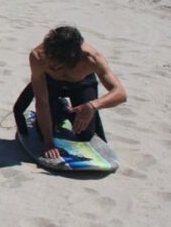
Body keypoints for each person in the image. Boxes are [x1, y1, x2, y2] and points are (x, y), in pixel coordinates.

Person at [13, 26, 127, 159]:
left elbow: (121, 93)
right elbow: (42, 102)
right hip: (51, 84)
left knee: (86, 135)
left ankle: (66, 111)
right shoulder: (38, 57)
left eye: (55, 67)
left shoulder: (92, 60)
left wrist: (92, 106)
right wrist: (49, 143)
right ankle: (60, 107)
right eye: (48, 63)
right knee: (42, 132)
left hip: (81, 84)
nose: (49, 66)